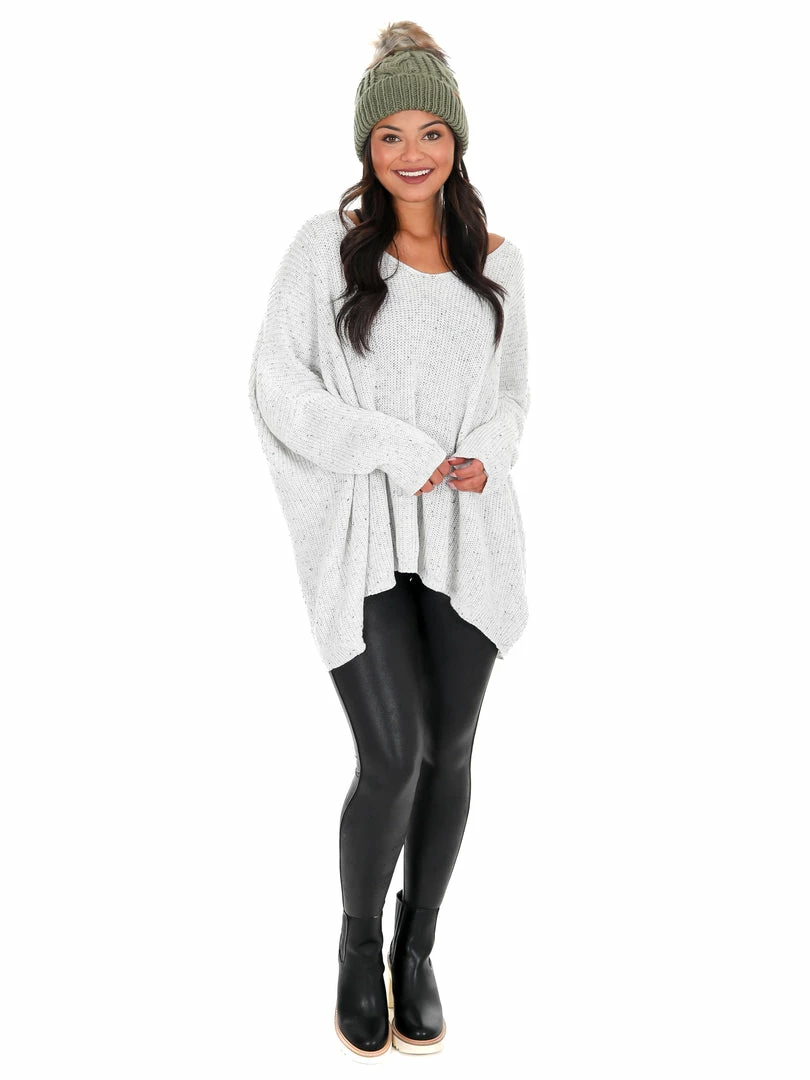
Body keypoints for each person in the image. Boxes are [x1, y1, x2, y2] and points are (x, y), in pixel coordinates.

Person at [247, 21, 531, 1061]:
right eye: (390, 136)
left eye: (431, 133)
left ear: (457, 140)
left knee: (451, 750)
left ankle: (419, 951)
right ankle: (358, 946)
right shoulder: (323, 251)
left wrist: (486, 454)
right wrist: (392, 446)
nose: (413, 154)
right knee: (393, 754)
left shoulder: (497, 263)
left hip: (465, 533)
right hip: (365, 532)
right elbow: (278, 386)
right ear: (367, 148)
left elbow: (512, 397)